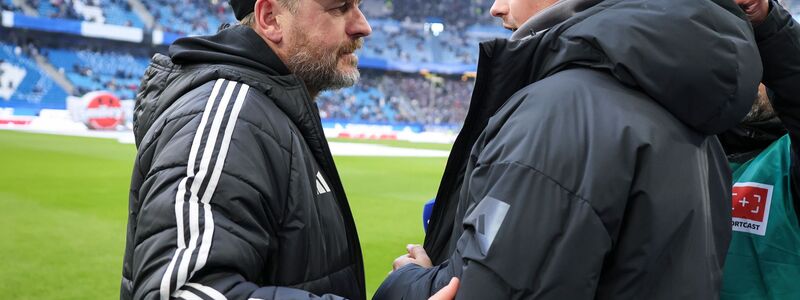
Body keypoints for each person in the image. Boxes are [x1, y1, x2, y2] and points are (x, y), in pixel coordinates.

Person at [375, 0, 763, 298]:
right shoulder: (687, 115)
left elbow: (498, 289)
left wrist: (406, 282)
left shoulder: (559, 113)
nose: (496, 8)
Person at [119, 0, 373, 298]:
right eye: (340, 7)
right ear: (271, 19)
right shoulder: (229, 117)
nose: (363, 26)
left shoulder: (272, 111)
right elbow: (179, 293)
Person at [719, 0, 800, 298]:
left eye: (760, 56)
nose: (752, 71)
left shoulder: (786, 159)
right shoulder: (690, 149)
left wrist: (767, 22)